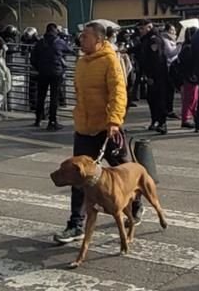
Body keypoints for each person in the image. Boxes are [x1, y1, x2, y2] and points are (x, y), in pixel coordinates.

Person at [52, 21, 138, 245]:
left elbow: (118, 92)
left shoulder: (110, 59)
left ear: (100, 41)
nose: (81, 40)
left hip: (106, 127)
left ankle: (135, 205)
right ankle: (75, 224)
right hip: (84, 128)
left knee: (123, 169)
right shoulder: (81, 62)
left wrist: (114, 121)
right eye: (81, 37)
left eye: (86, 37)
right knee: (78, 176)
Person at [30, 22, 74, 130]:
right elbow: (70, 50)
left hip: (42, 73)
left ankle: (38, 119)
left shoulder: (40, 43)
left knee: (41, 96)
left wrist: (39, 67)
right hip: (56, 73)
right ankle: (52, 121)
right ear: (55, 31)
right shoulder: (59, 42)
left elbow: (33, 58)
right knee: (54, 98)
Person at [145, 23, 179, 134]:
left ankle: (161, 122)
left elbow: (157, 59)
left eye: (142, 28)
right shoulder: (147, 39)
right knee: (153, 99)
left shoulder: (155, 40)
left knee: (159, 99)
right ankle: (157, 121)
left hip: (158, 75)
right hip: (157, 74)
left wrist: (151, 75)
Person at [174, 26, 198, 128]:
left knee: (193, 98)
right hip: (190, 76)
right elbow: (189, 64)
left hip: (189, 75)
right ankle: (186, 118)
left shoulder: (187, 47)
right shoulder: (189, 48)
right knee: (190, 98)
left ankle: (194, 116)